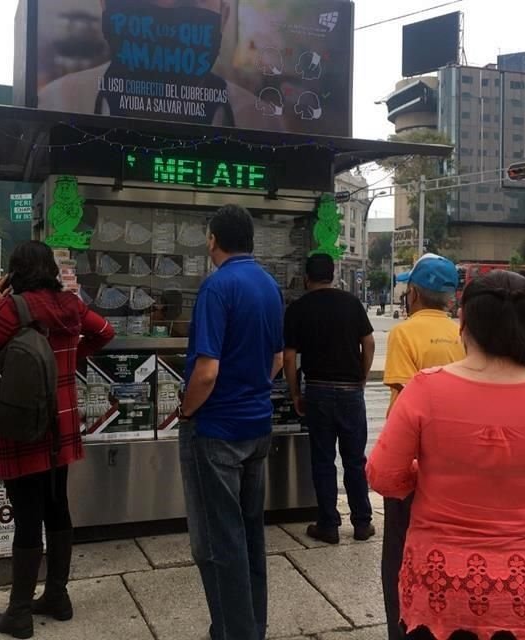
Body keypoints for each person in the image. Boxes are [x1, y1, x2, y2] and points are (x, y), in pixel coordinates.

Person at [367, 270, 525, 640]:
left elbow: (382, 476)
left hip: (438, 587)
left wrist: (425, 478)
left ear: (463, 321)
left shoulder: (425, 389)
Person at [0, 241, 115, 638]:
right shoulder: (70, 305)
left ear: (14, 274)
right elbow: (106, 331)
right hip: (61, 424)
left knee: (27, 517)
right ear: (49, 269)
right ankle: (57, 596)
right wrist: (72, 358)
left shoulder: (14, 308)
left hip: (23, 424)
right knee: (56, 505)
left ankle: (19, 612)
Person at [178, 205, 284, 640]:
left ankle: (232, 632)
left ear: (212, 241)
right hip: (257, 427)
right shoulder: (269, 285)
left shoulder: (217, 287)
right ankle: (248, 626)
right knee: (249, 535)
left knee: (217, 544)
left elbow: (206, 371)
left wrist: (186, 411)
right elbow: (277, 359)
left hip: (216, 431)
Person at [380, 253, 466, 640]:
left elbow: (402, 397)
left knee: (399, 548)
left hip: (414, 458)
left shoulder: (404, 333)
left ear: (413, 292)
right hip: (454, 459)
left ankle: (401, 628)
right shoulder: (464, 331)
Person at [38, 0, 284, 131]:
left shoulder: (260, 120)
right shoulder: (56, 103)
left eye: (188, 2)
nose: (164, 7)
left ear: (224, 18)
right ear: (106, 6)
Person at [283, 253, 375, 544]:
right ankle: (362, 523)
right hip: (350, 392)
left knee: (323, 459)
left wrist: (296, 392)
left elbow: (288, 356)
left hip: (319, 390)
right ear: (333, 275)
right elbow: (369, 342)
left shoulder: (298, 308)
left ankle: (328, 524)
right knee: (354, 460)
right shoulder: (351, 303)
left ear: (307, 278)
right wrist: (361, 375)